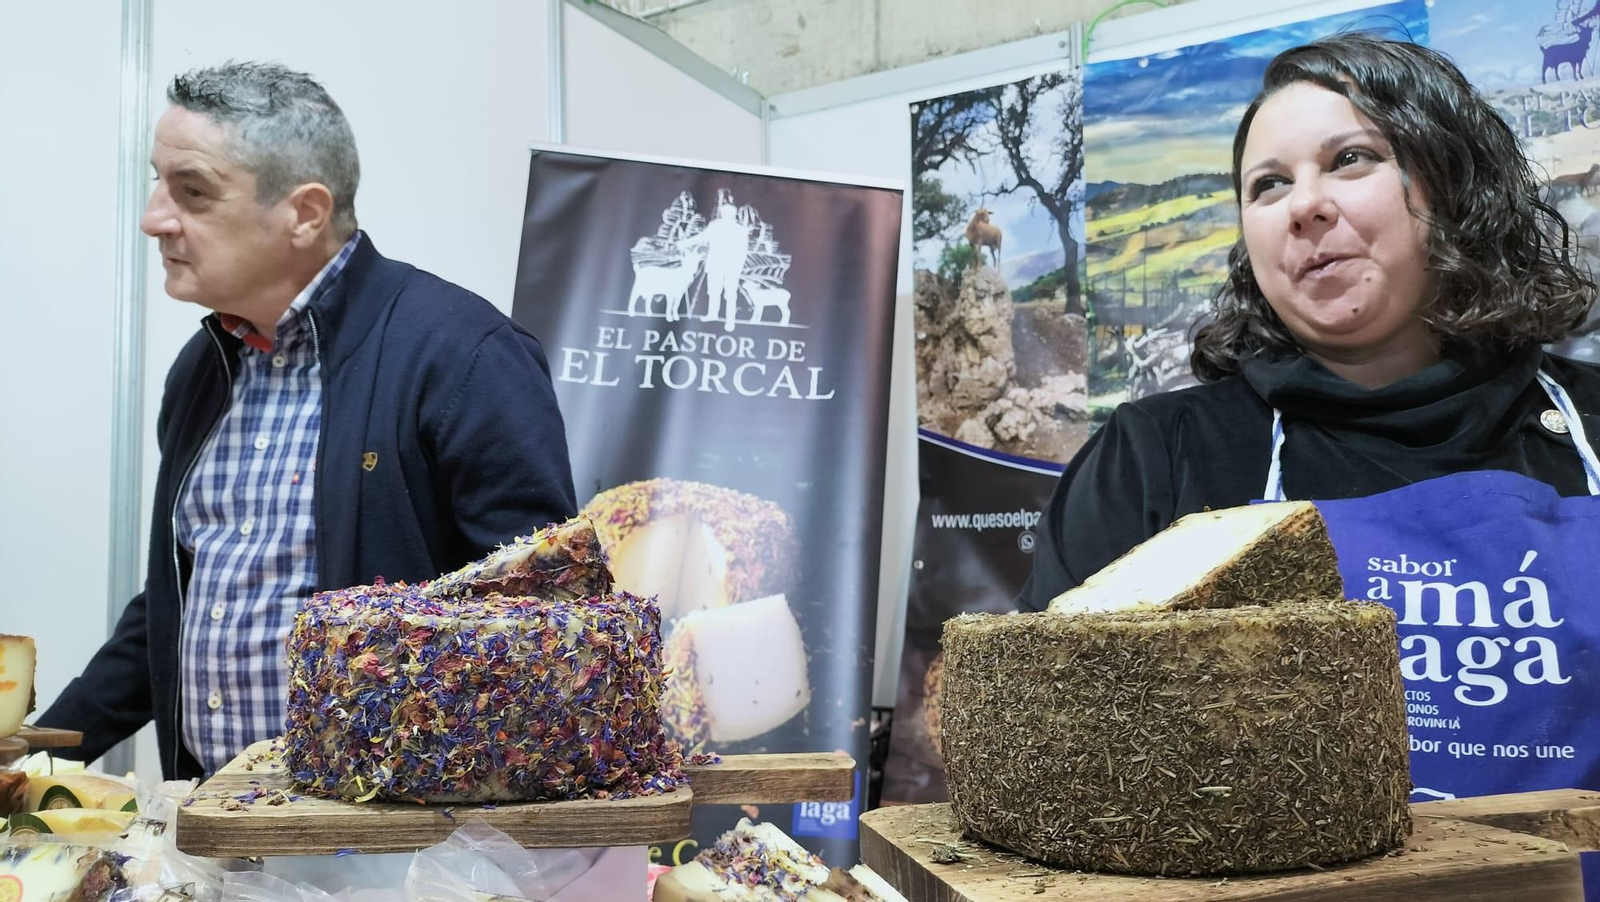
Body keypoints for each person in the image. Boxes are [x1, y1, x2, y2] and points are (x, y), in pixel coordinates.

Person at [1019, 32, 1600, 896]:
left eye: (1351, 158)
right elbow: (1043, 752)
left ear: (1454, 183)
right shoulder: (1158, 455)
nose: (1304, 206)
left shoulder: (1588, 423)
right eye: (1269, 185)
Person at [37, 62, 578, 779]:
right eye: (157, 181)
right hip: (212, 835)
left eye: (191, 191)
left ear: (305, 212)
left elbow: (547, 633)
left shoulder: (463, 356)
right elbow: (179, 607)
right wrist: (39, 754)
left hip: (389, 858)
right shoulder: (203, 370)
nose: (154, 217)